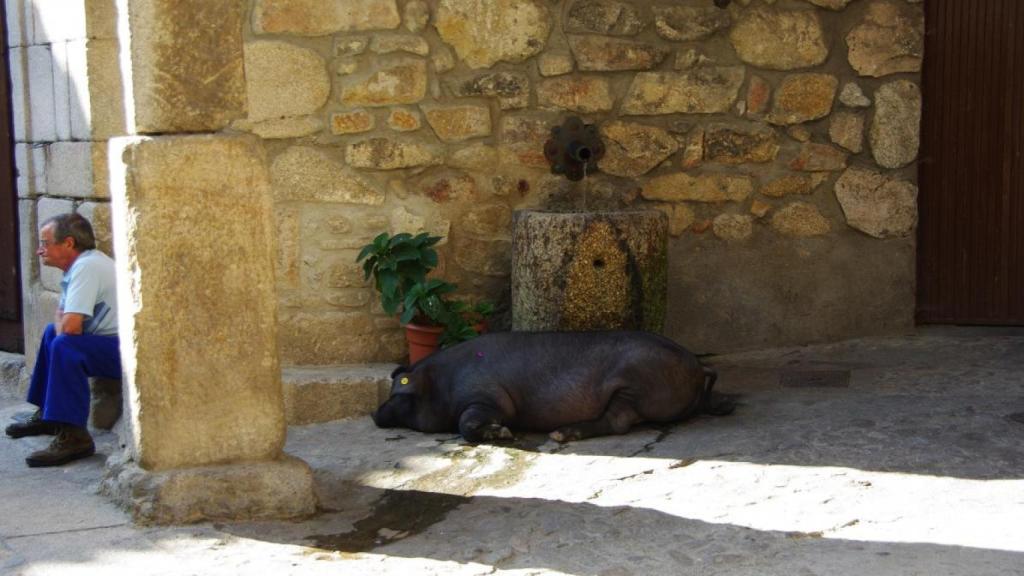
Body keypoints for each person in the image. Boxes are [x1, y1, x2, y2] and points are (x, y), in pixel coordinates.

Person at [4, 213, 121, 467]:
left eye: (45, 243)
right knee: (51, 333)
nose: (39, 250)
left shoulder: (87, 267)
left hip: (123, 350)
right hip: (108, 343)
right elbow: (64, 320)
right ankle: (49, 415)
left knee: (64, 345)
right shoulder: (80, 266)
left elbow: (70, 326)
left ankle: (75, 436)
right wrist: (61, 321)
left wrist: (61, 321)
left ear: (68, 243)